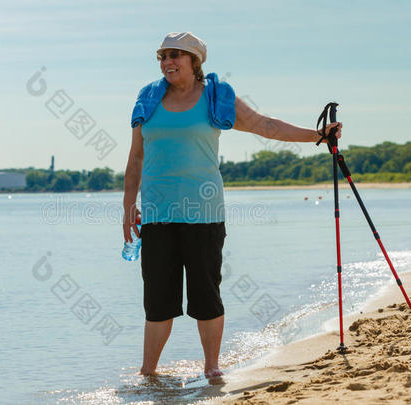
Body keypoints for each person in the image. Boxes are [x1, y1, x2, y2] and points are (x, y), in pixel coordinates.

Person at [122, 32, 342, 378]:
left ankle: (212, 368)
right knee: (158, 301)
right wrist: (127, 208)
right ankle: (147, 375)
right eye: (163, 56)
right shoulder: (147, 98)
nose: (167, 61)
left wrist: (317, 135)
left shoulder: (215, 96)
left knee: (206, 296)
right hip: (156, 215)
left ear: (195, 60)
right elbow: (135, 158)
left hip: (204, 215)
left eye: (176, 55)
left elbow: (265, 125)